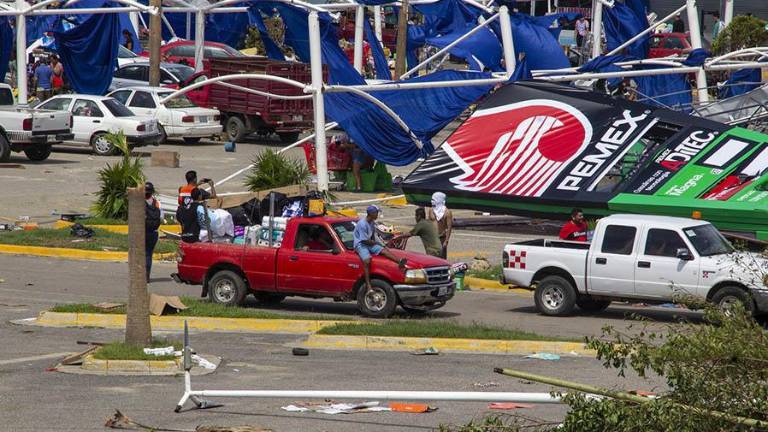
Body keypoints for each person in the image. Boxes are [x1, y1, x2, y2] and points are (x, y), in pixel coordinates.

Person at [354, 205, 406, 291]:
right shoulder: (362, 224)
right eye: (376, 213)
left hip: (369, 243)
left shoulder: (372, 223)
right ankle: (368, 284)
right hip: (361, 244)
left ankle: (399, 262)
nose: (377, 215)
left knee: (384, 251)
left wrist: (382, 245)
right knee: (367, 261)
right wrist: (377, 243)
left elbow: (374, 236)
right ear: (371, 213)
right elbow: (364, 240)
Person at [144, 182, 162, 282]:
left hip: (143, 232)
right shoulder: (157, 203)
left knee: (141, 254)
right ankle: (147, 276)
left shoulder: (139, 203)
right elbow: (161, 217)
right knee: (148, 254)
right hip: (154, 233)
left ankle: (141, 276)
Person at [427, 192, 453, 259]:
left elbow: (449, 228)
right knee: (431, 258)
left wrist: (446, 241)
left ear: (439, 200)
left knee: (442, 259)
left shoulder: (447, 212)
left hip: (441, 239)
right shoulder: (430, 210)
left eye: (434, 200)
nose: (431, 201)